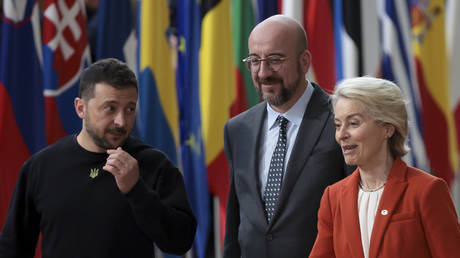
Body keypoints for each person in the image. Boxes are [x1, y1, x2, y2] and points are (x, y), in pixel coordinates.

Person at [0, 58, 197, 257]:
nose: (121, 121)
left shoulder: (154, 164)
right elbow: (13, 248)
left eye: (129, 109)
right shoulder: (40, 167)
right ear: (81, 108)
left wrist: (137, 190)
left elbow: (181, 242)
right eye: (110, 108)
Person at [223, 15, 350, 258]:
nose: (263, 73)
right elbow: (236, 220)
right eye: (254, 61)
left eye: (275, 60)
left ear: (304, 62)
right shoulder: (237, 129)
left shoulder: (341, 120)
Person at [310, 77, 460, 258]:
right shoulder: (332, 198)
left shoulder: (427, 190)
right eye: (338, 125)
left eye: (353, 123)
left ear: (388, 128)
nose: (341, 135)